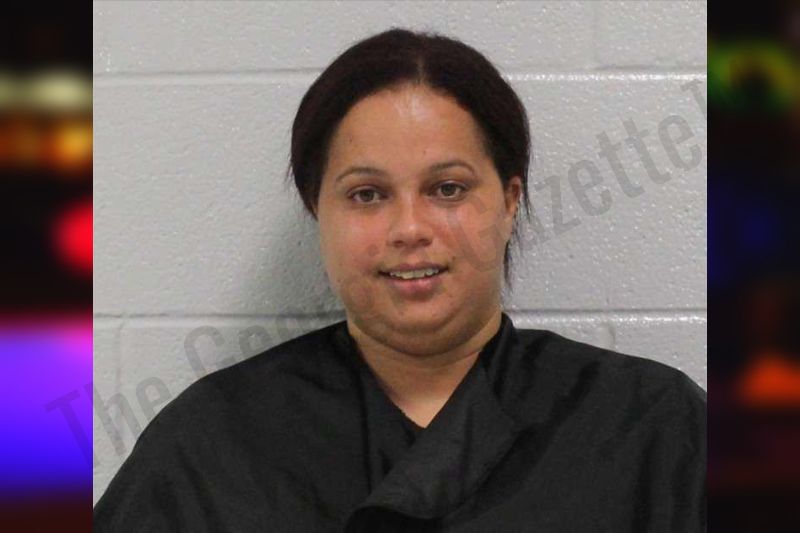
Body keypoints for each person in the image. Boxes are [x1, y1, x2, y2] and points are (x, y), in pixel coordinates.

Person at [93, 28, 706, 532]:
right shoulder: (214, 443)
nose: (410, 228)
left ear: (509, 200)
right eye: (367, 194)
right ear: (317, 210)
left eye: (448, 189)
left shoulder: (648, 426)